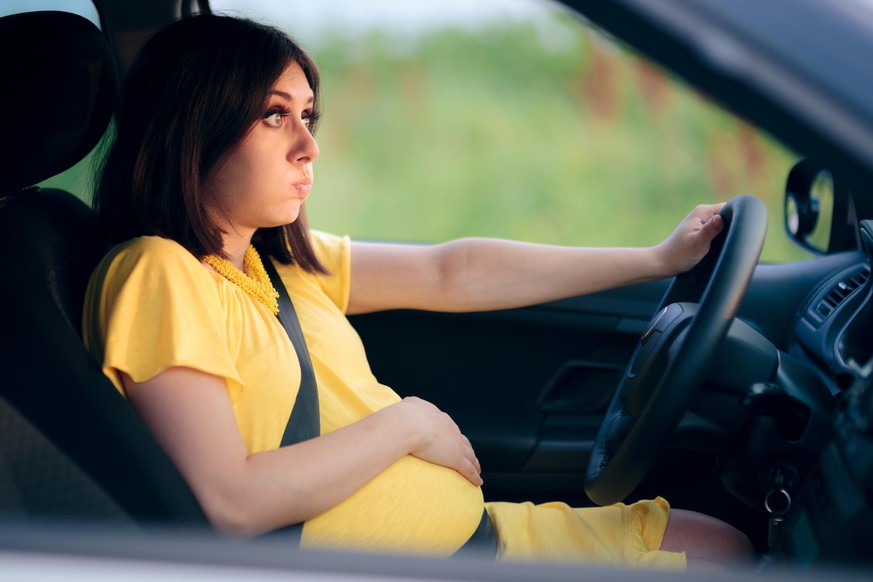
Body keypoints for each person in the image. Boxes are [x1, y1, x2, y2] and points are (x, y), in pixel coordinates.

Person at [83, 13, 753, 571]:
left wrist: (655, 259)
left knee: (723, 544)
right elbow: (228, 504)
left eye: (308, 116)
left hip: (480, 538)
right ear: (194, 129)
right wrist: (407, 424)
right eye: (272, 117)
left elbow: (450, 272)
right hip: (424, 562)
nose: (308, 146)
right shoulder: (158, 273)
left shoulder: (276, 267)